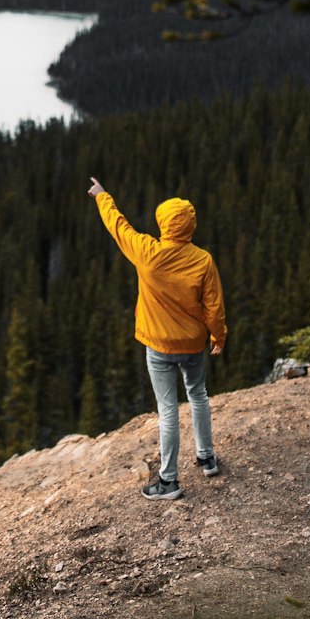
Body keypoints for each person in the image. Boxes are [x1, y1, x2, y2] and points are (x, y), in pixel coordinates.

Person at [88, 175, 226, 501]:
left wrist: (101, 196)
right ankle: (206, 458)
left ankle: (169, 481)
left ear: (163, 224)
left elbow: (119, 226)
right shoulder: (203, 260)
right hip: (193, 344)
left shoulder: (147, 252)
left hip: (159, 347)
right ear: (191, 225)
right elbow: (214, 307)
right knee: (198, 395)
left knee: (168, 410)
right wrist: (218, 337)